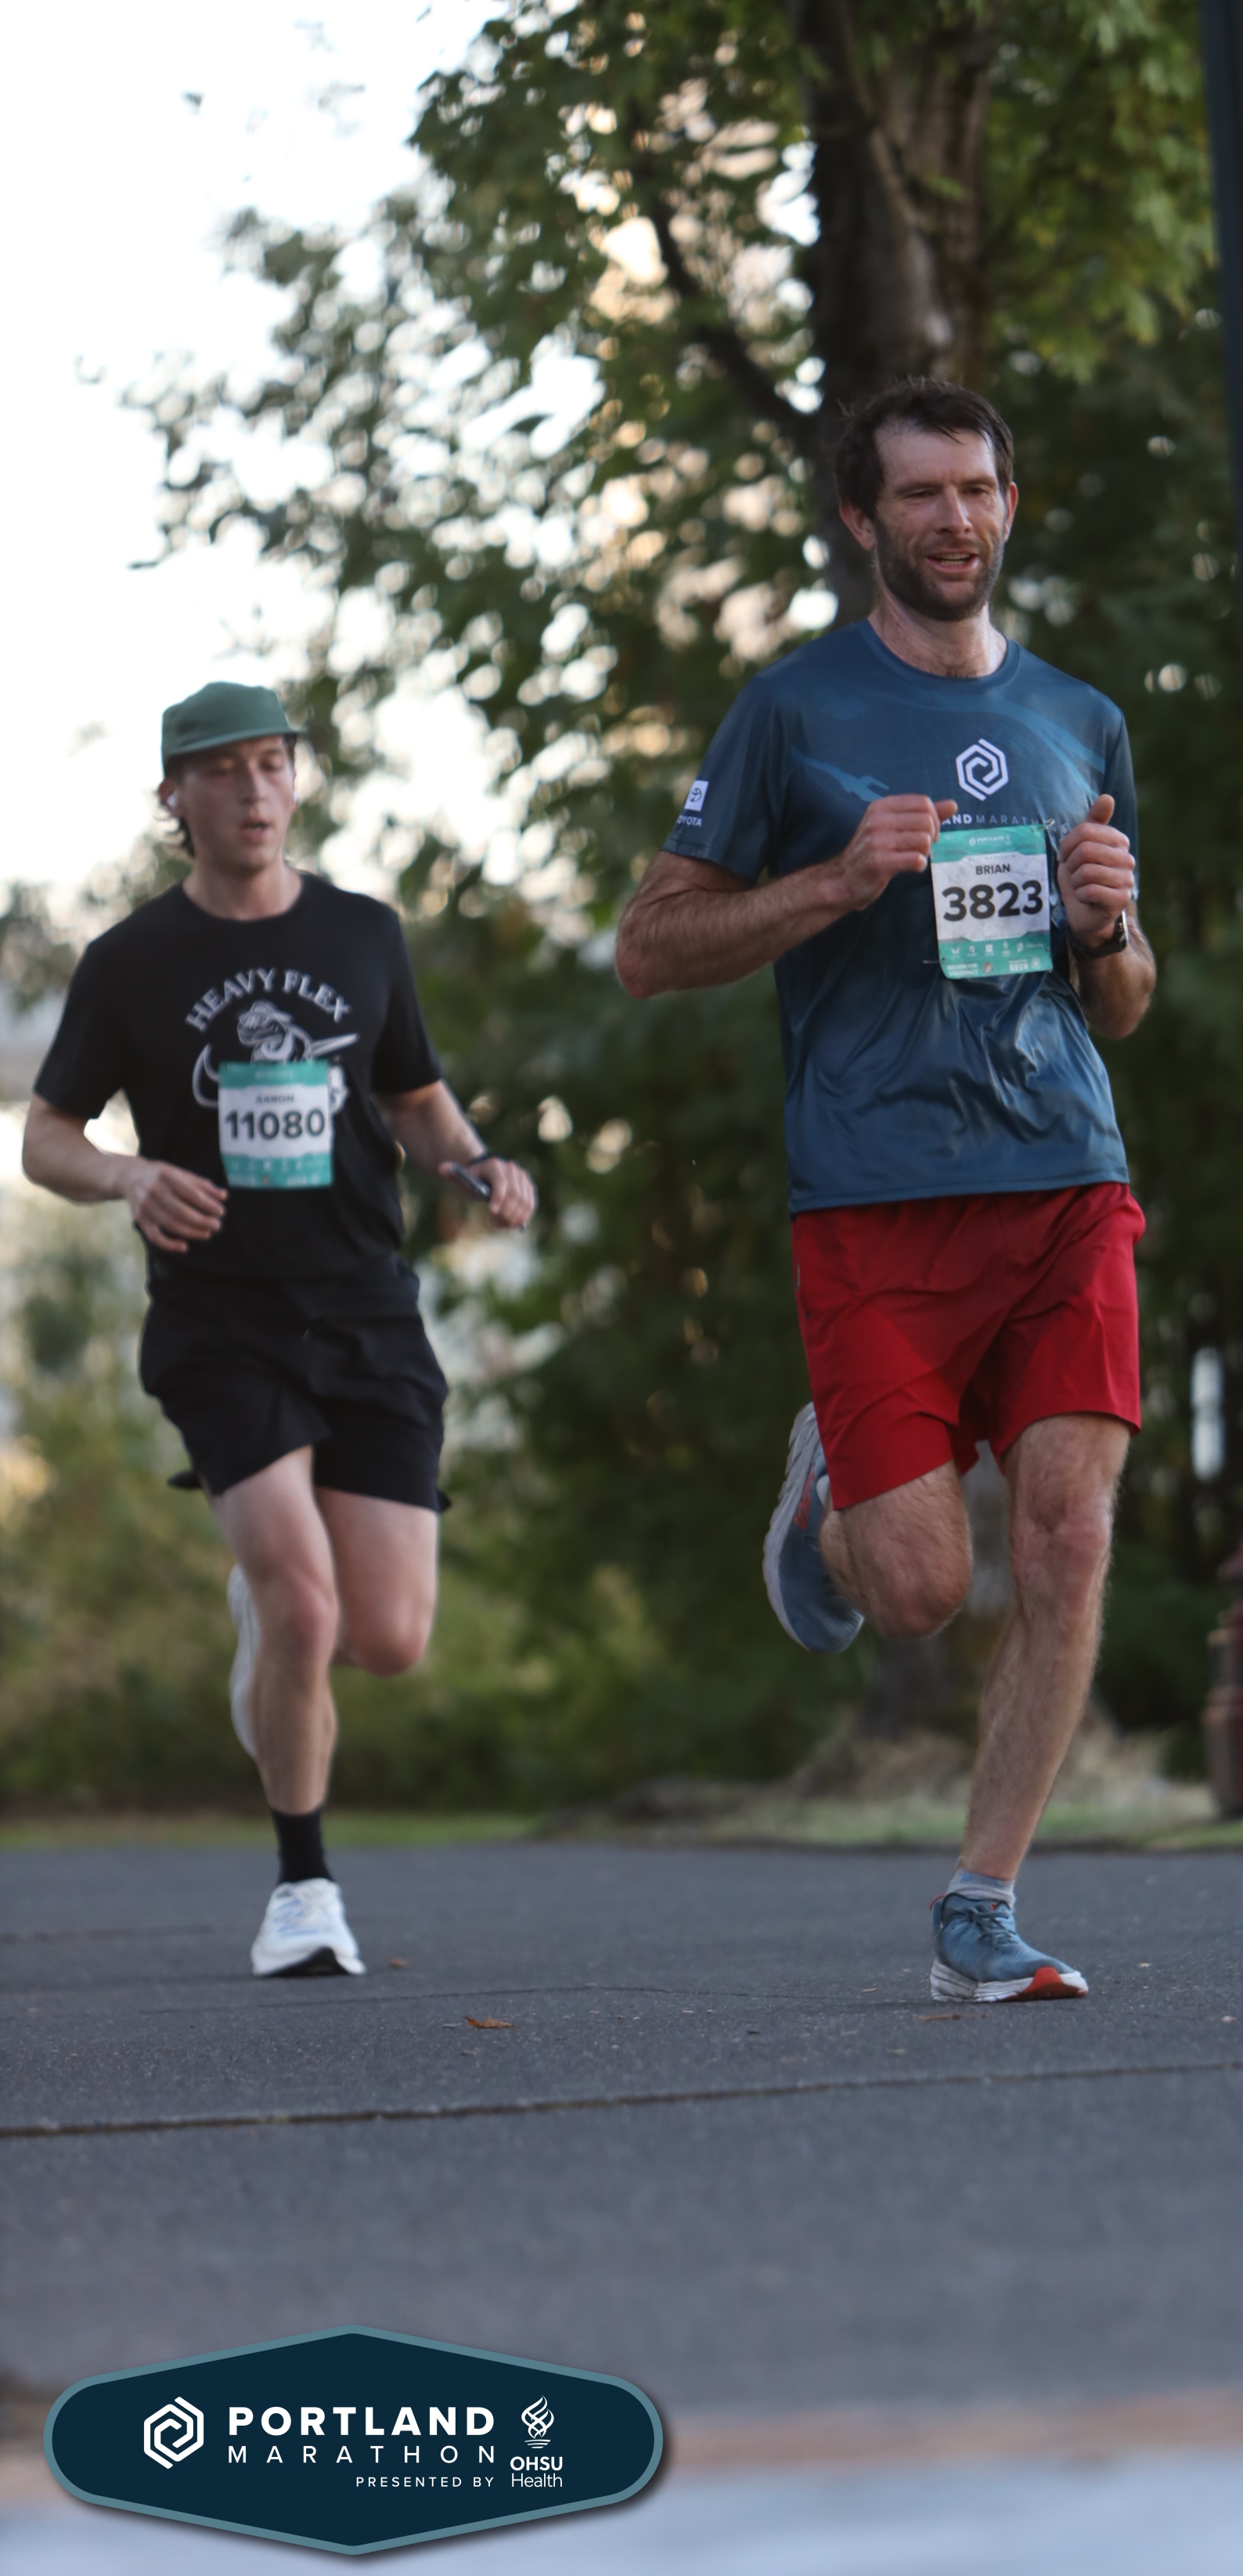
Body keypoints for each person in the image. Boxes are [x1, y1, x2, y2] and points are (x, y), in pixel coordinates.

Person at [615, 380, 1155, 2003]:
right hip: (874, 1191)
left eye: (975, 489)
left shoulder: (1078, 720)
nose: (953, 519)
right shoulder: (793, 713)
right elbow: (650, 948)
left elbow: (1125, 1001)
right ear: (862, 520)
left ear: (1010, 503)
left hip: (1063, 1171)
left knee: (1067, 1538)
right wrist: (834, 883)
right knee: (917, 1592)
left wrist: (1111, 930)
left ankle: (982, 1904)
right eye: (919, 494)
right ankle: (826, 1499)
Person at [23, 683, 535, 1979]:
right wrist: (129, 1177)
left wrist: (475, 1164)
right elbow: (47, 1138)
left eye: (272, 765)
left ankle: (270, 1625)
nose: (254, 791)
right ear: (174, 796)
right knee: (304, 1604)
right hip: (221, 1321)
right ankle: (305, 1891)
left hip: (366, 1308)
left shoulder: (363, 933)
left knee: (388, 1638)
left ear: (295, 780)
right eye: (223, 771)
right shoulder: (131, 962)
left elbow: (413, 1097)